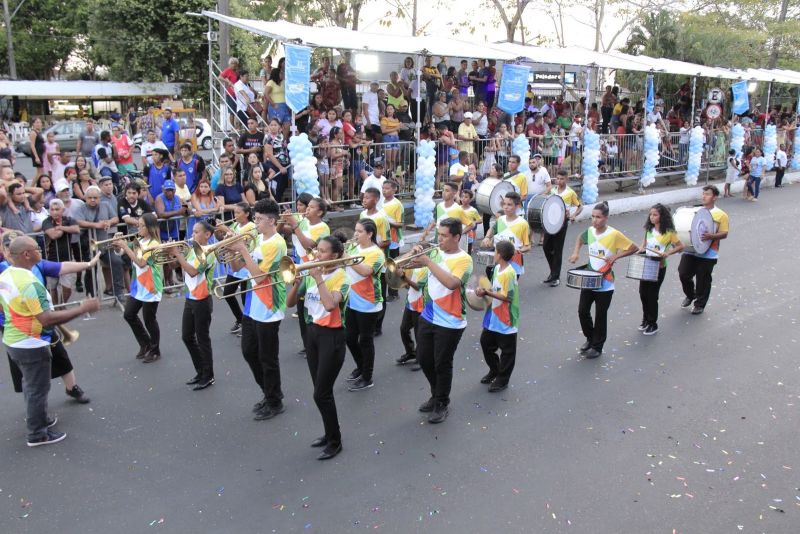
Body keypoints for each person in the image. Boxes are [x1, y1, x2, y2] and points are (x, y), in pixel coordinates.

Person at [0, 236, 100, 447]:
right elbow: (45, 318)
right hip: (31, 344)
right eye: (37, 249)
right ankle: (37, 434)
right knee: (38, 388)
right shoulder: (28, 283)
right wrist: (82, 308)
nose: (41, 251)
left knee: (30, 386)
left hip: (14, 340)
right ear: (27, 254)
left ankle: (39, 419)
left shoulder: (7, 274)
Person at [286, 235, 351, 461]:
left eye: (323, 252)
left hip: (332, 337)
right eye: (317, 251)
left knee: (321, 393)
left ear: (334, 255)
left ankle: (335, 441)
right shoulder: (313, 274)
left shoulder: (342, 276)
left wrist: (318, 278)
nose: (317, 255)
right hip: (313, 333)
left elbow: (331, 305)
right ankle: (329, 433)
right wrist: (296, 282)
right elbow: (290, 303)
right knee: (321, 391)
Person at [226, 199, 287, 421]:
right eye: (256, 218)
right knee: (249, 351)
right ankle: (269, 392)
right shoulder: (258, 239)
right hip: (253, 303)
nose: (256, 222)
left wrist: (242, 248)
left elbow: (260, 276)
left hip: (269, 304)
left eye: (259, 219)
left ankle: (275, 400)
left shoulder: (277, 243)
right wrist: (232, 253)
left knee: (267, 357)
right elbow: (239, 268)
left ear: (271, 220)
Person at [411, 218, 472, 424]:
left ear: (457, 237)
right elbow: (413, 267)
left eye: (445, 236)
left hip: (451, 321)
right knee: (424, 358)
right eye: (440, 234)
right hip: (428, 315)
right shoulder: (435, 252)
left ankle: (441, 402)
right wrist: (412, 256)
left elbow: (452, 283)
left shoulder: (464, 260)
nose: (440, 239)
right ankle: (435, 393)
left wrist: (428, 261)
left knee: (442, 363)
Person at [568, 201, 637, 359]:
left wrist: (616, 256)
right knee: (582, 311)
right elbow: (580, 238)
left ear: (605, 218)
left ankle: (597, 347)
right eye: (592, 217)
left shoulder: (613, 234)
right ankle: (590, 338)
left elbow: (633, 247)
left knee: (600, 315)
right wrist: (576, 253)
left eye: (598, 217)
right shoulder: (590, 231)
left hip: (605, 282)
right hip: (589, 278)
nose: (594, 220)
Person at [169, 220, 217, 390]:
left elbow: (193, 271)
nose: (193, 235)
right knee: (187, 336)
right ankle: (200, 370)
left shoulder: (209, 252)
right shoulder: (191, 250)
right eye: (193, 231)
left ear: (207, 235)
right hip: (190, 298)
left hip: (203, 300)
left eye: (197, 232)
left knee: (203, 338)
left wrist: (178, 254)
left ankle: (208, 374)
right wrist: (172, 254)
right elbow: (178, 265)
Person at [281, 196, 330, 354]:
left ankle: (316, 343)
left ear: (320, 212)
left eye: (311, 207)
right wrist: (283, 220)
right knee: (302, 310)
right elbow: (282, 231)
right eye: (306, 207)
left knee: (310, 308)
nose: (306, 209)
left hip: (313, 270)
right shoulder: (303, 221)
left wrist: (295, 224)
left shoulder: (323, 228)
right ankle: (307, 344)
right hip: (301, 268)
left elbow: (308, 245)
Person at [115, 213, 163, 363]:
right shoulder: (139, 241)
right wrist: (118, 244)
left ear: (150, 227)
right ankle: (145, 344)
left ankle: (155, 350)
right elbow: (121, 252)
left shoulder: (154, 244)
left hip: (151, 286)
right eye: (139, 225)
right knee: (129, 314)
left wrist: (125, 245)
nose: (139, 228)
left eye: (142, 225)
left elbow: (141, 262)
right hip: (138, 285)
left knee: (150, 319)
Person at [343, 219, 385, 392]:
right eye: (355, 230)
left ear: (370, 234)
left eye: (360, 231)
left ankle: (367, 377)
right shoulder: (353, 247)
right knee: (349, 338)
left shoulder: (377, 253)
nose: (356, 234)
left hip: (368, 302)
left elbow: (366, 271)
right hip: (351, 300)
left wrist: (346, 257)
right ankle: (361, 366)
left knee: (365, 340)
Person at [677, 185, 729, 315]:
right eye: (703, 193)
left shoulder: (721, 215)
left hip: (709, 253)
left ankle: (699, 304)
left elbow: (724, 233)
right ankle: (690, 294)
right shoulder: (696, 211)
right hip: (691, 250)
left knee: (703, 279)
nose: (704, 196)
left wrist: (711, 236)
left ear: (715, 197)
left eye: (707, 194)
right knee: (683, 273)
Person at [476, 240, 519, 392]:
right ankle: (494, 370)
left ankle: (502, 379)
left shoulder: (509, 273)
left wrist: (487, 292)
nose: (494, 254)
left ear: (499, 254)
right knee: (485, 343)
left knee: (507, 351)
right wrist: (483, 290)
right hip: (493, 315)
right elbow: (493, 289)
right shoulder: (496, 269)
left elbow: (507, 297)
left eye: (495, 251)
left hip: (506, 318)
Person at [637, 204, 684, 335]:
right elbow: (644, 244)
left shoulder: (669, 232)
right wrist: (640, 249)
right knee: (643, 293)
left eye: (655, 215)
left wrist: (668, 253)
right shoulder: (649, 229)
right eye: (650, 214)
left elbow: (680, 246)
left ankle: (653, 323)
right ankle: (645, 319)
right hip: (646, 264)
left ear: (662, 216)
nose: (651, 217)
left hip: (659, 266)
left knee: (652, 295)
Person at [218, 203, 255, 335]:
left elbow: (241, 241)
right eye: (235, 212)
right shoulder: (234, 225)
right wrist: (221, 233)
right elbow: (228, 241)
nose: (236, 215)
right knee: (227, 293)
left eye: (239, 212)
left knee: (246, 299)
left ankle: (248, 326)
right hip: (234, 264)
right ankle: (240, 320)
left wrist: (226, 229)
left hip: (245, 265)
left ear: (247, 214)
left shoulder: (251, 226)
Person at [358, 188, 391, 335]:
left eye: (367, 198)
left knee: (379, 292)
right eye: (363, 198)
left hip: (378, 260)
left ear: (376, 200)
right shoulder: (362, 214)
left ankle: (378, 326)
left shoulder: (381, 218)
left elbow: (387, 240)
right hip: (363, 257)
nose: (364, 200)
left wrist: (372, 246)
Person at [542, 170, 583, 286]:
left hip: (562, 223)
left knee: (557, 250)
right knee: (545, 247)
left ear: (566, 180)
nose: (559, 181)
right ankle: (553, 271)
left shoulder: (570, 193)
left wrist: (574, 215)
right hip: (549, 222)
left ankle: (555, 277)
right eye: (557, 178)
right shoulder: (552, 190)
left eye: (562, 179)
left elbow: (580, 207)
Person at [481, 192, 531, 277]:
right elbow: (492, 229)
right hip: (498, 259)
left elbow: (527, 246)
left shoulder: (523, 224)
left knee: (509, 289)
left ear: (517, 206)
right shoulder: (500, 219)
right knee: (495, 285)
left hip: (514, 262)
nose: (506, 207)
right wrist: (487, 237)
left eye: (509, 205)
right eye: (504, 204)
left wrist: (518, 251)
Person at [381, 180, 404, 300]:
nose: (384, 190)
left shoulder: (397, 204)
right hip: (383, 239)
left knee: (392, 267)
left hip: (393, 240)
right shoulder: (381, 202)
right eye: (383, 188)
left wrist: (387, 222)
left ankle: (394, 293)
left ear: (394, 189)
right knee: (384, 267)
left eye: (387, 188)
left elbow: (400, 224)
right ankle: (383, 292)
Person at [459, 189, 481, 254]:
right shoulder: (457, 208)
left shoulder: (473, 210)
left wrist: (474, 222)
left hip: (469, 233)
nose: (463, 198)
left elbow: (480, 220)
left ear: (470, 199)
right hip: (459, 232)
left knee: (468, 252)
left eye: (466, 197)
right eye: (462, 196)